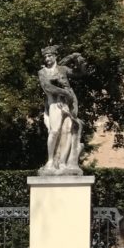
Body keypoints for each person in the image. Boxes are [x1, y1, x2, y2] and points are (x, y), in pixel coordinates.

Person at [38, 45, 85, 175]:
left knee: (68, 131)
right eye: (45, 57)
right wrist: (65, 92)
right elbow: (47, 87)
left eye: (49, 56)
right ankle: (51, 161)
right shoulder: (42, 73)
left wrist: (79, 62)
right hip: (54, 104)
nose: (47, 59)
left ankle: (63, 162)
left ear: (55, 56)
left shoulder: (62, 69)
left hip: (69, 104)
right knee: (54, 131)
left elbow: (79, 73)